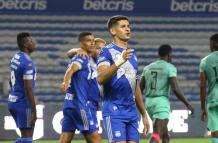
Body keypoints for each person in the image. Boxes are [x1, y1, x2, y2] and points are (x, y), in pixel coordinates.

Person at [97, 15, 150, 143]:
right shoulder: (106, 52)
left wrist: (143, 114)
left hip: (131, 111)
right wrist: (120, 61)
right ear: (113, 31)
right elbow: (100, 78)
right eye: (123, 26)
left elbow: (135, 85)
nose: (128, 29)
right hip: (114, 110)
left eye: (128, 26)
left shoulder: (132, 54)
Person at [140, 44, 194, 143]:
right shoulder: (170, 67)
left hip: (149, 103)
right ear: (169, 55)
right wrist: (188, 104)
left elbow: (139, 88)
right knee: (157, 134)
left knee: (165, 134)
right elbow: (175, 88)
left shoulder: (147, 68)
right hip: (161, 102)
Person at [59, 32, 101, 143]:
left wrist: (75, 50)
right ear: (81, 43)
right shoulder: (82, 58)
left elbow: (70, 54)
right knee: (95, 139)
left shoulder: (95, 60)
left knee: (65, 139)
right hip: (82, 106)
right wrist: (65, 82)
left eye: (93, 41)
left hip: (70, 105)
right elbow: (71, 69)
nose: (92, 44)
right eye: (89, 41)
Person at [8, 32, 37, 143]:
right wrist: (34, 111)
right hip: (23, 103)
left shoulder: (16, 57)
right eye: (31, 41)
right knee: (27, 138)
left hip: (13, 101)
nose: (34, 43)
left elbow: (11, 81)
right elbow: (28, 88)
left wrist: (16, 91)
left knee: (25, 137)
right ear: (25, 45)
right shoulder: (28, 63)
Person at [200, 34, 218, 143]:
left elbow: (203, 86)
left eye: (210, 44)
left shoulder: (205, 61)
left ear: (215, 44)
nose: (209, 47)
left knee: (215, 131)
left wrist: (202, 108)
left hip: (213, 99)